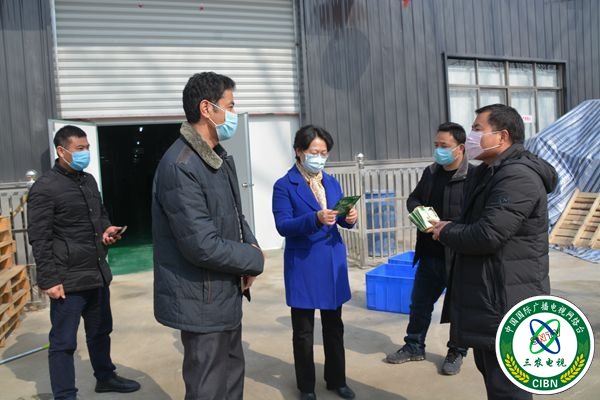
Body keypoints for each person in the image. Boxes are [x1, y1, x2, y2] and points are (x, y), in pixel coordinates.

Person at [431, 104, 558, 400]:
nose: (471, 136)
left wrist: (446, 232)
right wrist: (452, 226)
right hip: (489, 296)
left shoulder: (518, 177)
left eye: (477, 129)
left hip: (506, 300)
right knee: (494, 380)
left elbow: (488, 235)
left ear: (502, 136)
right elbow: (478, 223)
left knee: (508, 388)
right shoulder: (489, 172)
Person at [152, 72, 264, 400]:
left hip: (224, 292)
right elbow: (201, 245)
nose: (234, 113)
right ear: (207, 108)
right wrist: (254, 259)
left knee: (230, 379)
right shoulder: (181, 166)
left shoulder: (217, 157)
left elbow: (236, 215)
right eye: (230, 106)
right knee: (209, 387)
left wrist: (251, 246)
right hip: (201, 300)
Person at [27, 125, 140, 400]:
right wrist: (49, 279)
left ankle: (105, 377)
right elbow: (39, 238)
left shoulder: (88, 181)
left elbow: (99, 214)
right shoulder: (45, 188)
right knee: (64, 343)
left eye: (87, 148)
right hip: (67, 280)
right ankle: (65, 395)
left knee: (100, 331)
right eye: (80, 149)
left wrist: (106, 230)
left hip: (96, 272)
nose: (85, 153)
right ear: (61, 151)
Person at [272, 125, 358, 400]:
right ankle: (306, 387)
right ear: (299, 151)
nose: (319, 157)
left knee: (334, 327)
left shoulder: (331, 182)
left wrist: (349, 218)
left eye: (324, 153)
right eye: (314, 152)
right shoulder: (284, 185)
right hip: (304, 263)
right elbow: (283, 225)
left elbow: (339, 217)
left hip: (331, 261)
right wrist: (315, 218)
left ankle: (337, 380)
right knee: (303, 332)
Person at [385, 122, 472, 375]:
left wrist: (451, 228)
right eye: (436, 145)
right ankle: (414, 345)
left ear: (460, 148)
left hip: (458, 255)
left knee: (459, 307)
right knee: (420, 304)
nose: (439, 150)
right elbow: (414, 198)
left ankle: (457, 350)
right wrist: (419, 212)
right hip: (429, 253)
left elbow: (477, 216)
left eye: (444, 146)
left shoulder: (473, 177)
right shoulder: (431, 172)